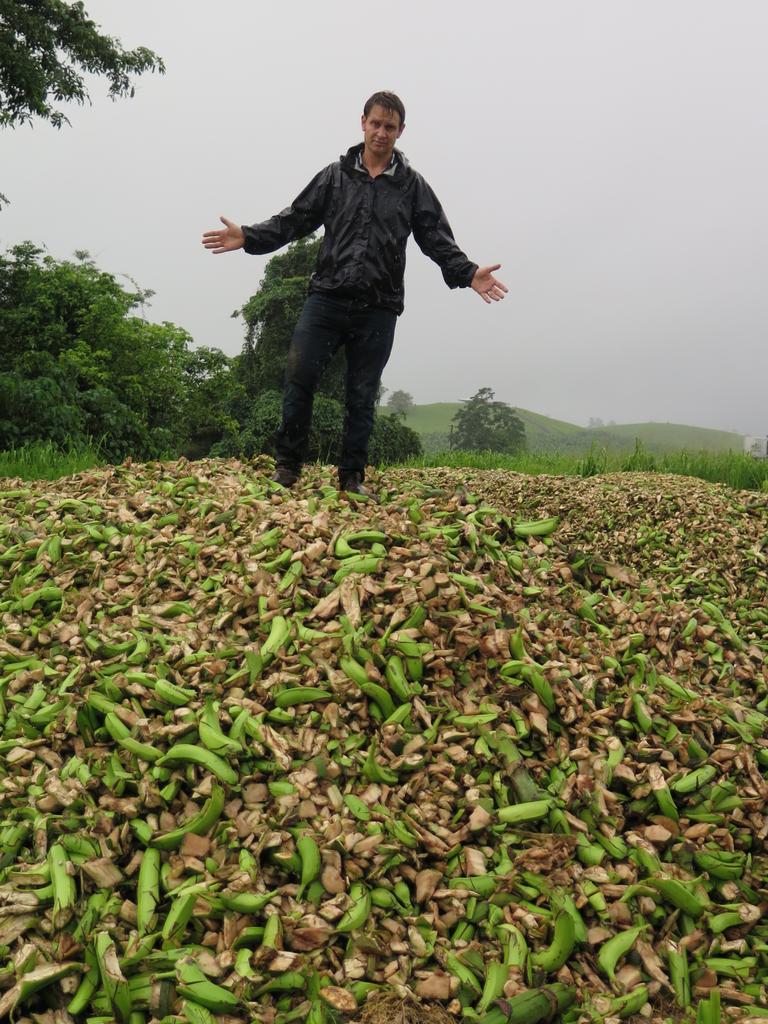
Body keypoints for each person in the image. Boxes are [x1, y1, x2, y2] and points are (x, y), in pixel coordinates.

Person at [202, 90, 507, 496]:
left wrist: (468, 273)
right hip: (327, 297)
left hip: (378, 307)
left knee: (361, 395)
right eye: (376, 123)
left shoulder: (412, 187)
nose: (381, 133)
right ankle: (288, 469)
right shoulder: (334, 176)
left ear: (401, 132)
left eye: (390, 127)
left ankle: (351, 478)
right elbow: (296, 218)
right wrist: (250, 237)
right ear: (362, 122)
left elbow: (435, 238)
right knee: (299, 376)